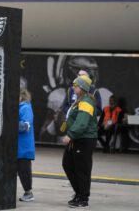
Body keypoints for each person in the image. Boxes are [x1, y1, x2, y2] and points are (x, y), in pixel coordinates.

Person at [62, 75, 97, 208]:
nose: (73, 87)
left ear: (82, 87)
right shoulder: (80, 100)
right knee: (68, 164)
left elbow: (82, 123)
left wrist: (70, 134)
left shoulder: (86, 101)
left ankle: (83, 198)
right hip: (77, 139)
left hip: (83, 139)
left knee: (82, 169)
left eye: (75, 85)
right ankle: (78, 193)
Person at [17, 89, 35, 202]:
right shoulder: (19, 107)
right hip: (18, 147)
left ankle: (28, 193)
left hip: (24, 148)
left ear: (21, 96)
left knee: (24, 171)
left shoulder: (25, 108)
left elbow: (25, 126)